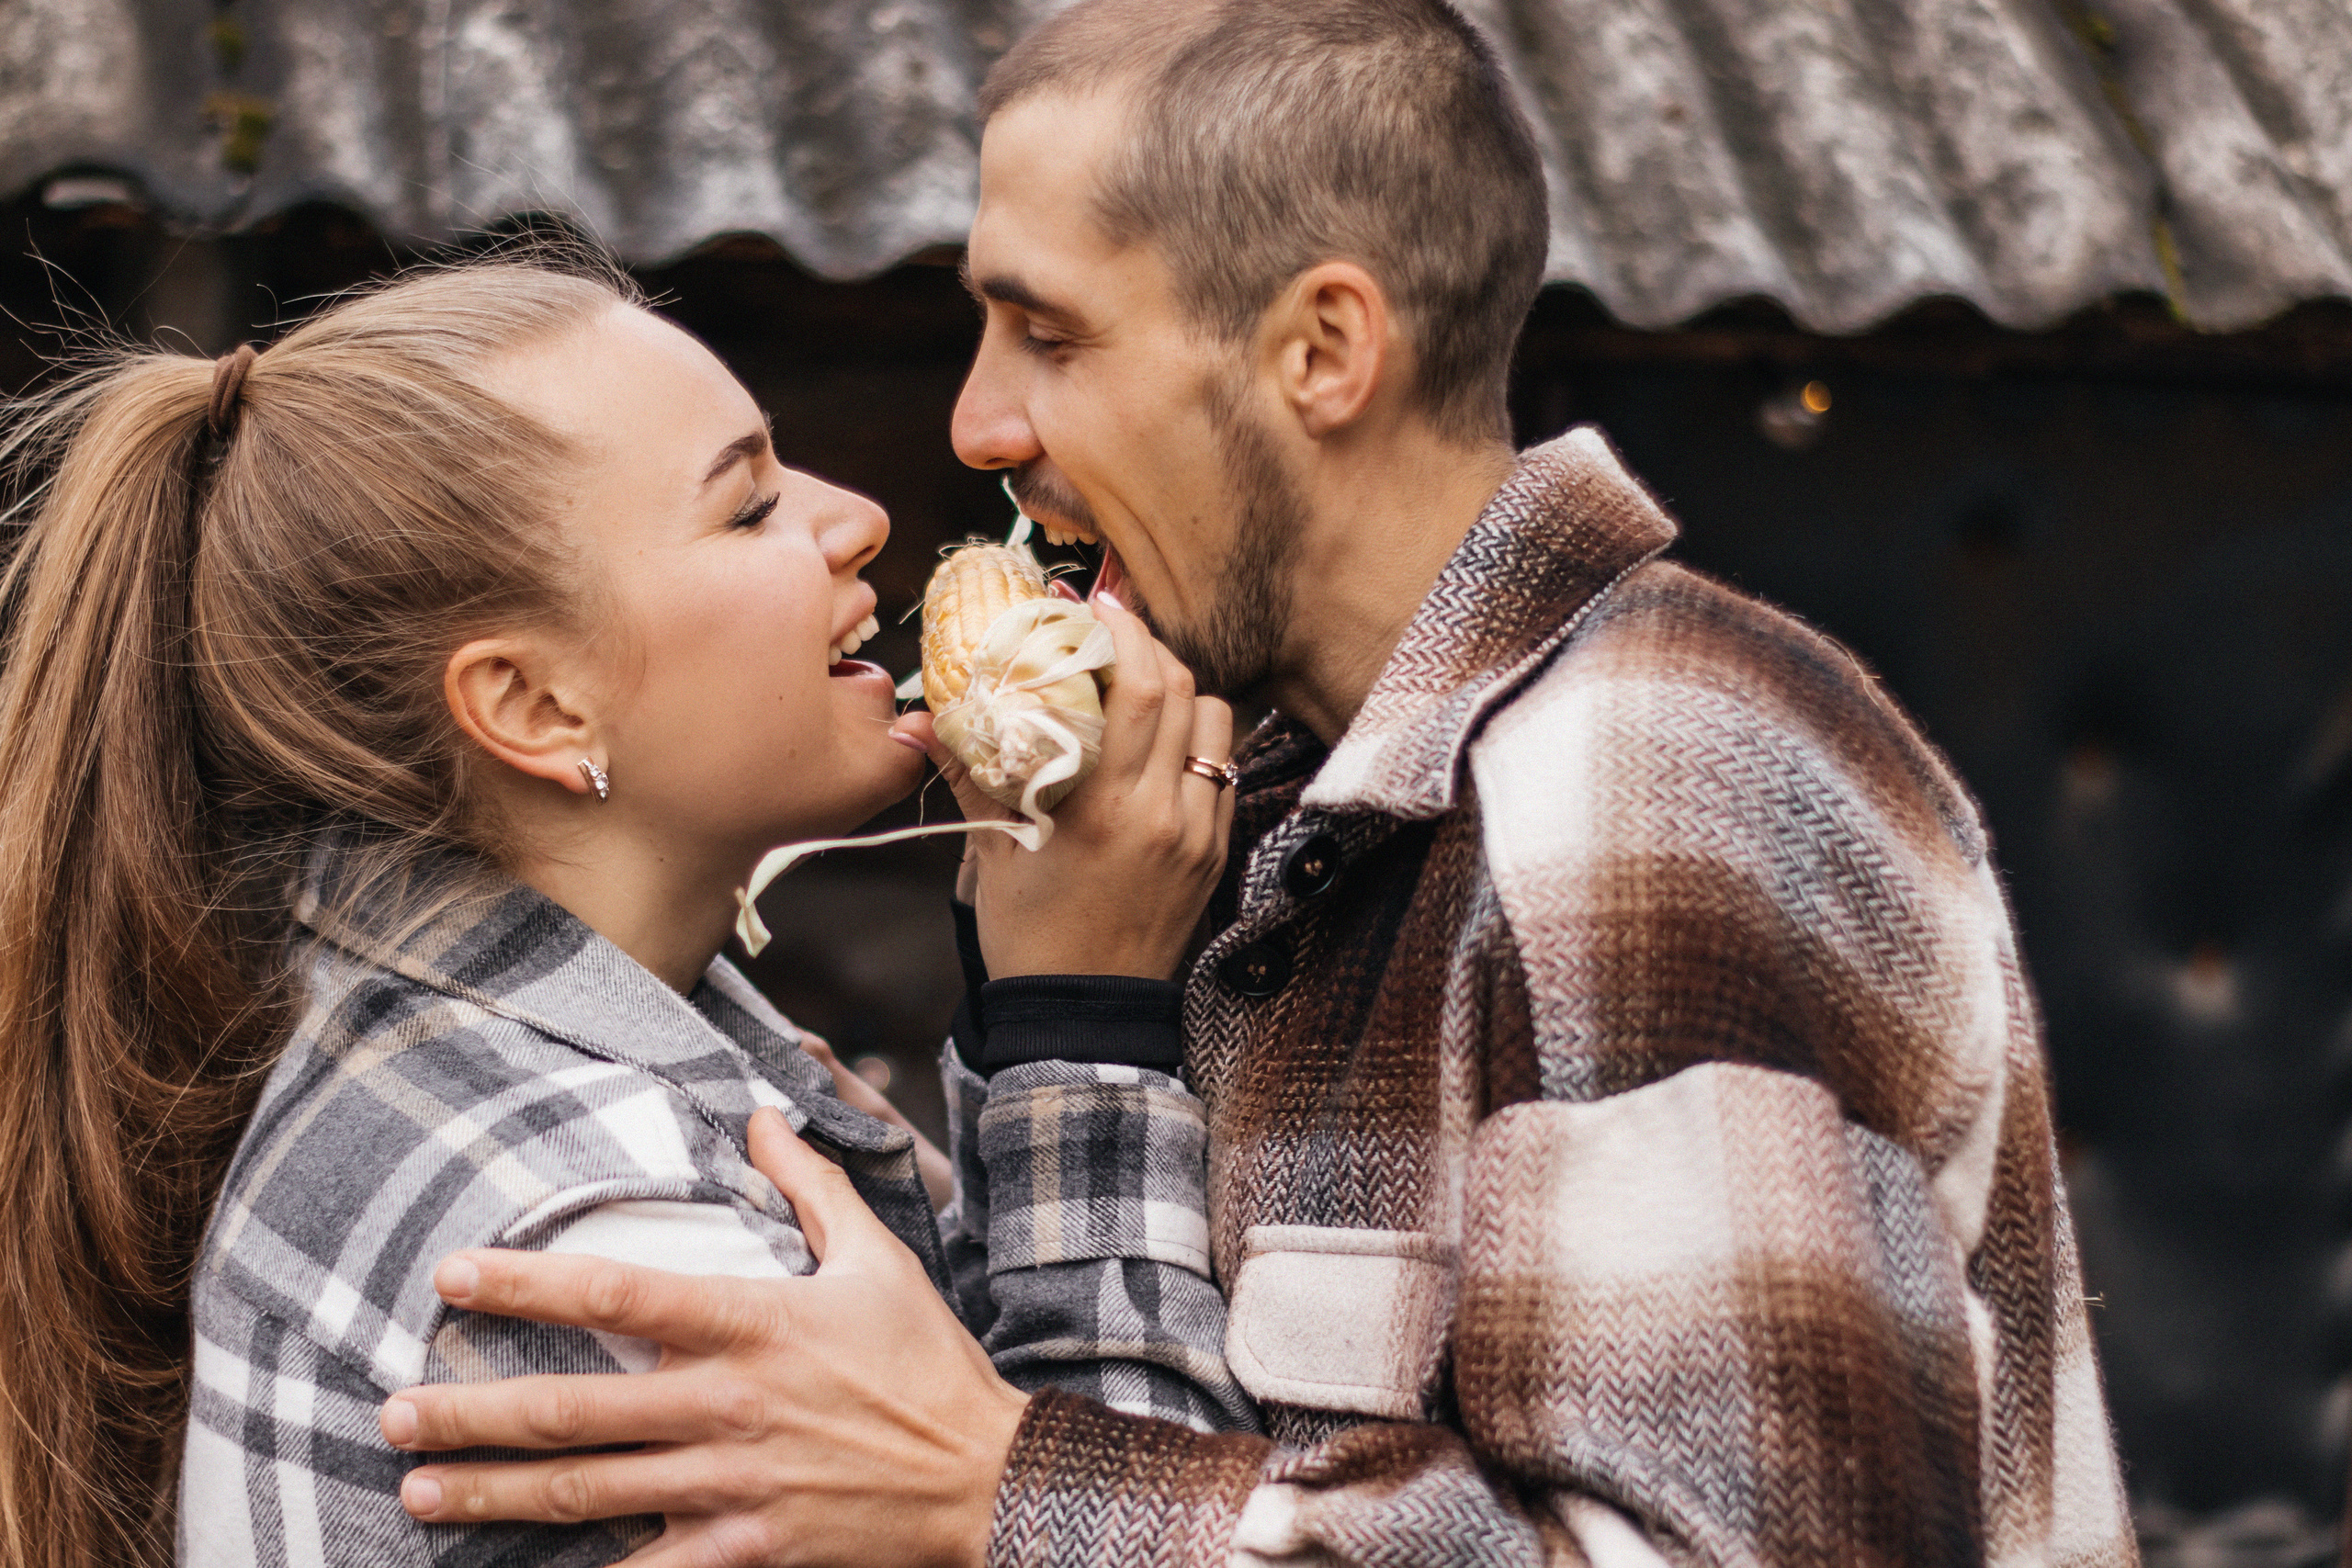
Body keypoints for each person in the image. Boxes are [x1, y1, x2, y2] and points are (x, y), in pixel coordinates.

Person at [375, 3, 2140, 1565]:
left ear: (1321, 353)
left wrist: (1006, 1482)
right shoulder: (1264, 794)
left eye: (1047, 337)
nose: (977, 425)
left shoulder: (1646, 779)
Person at [0, 253, 1250, 1568]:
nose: (863, 517)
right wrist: (1081, 1029)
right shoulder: (626, 1253)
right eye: (751, 505)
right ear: (538, 709)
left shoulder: (375, 1006)